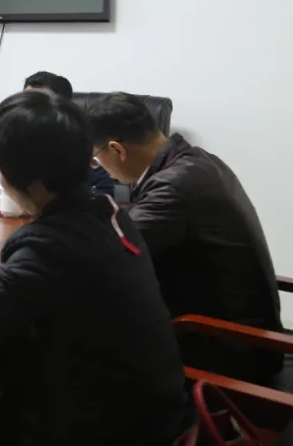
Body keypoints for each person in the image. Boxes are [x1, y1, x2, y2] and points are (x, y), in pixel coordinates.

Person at [0, 91, 192, 445]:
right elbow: (65, 290)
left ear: (31, 182)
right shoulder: (111, 215)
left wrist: (1, 288)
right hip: (157, 416)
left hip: (101, 429)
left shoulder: (47, 247)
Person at [85, 93, 282, 382]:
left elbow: (105, 250)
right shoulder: (196, 161)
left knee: (83, 339)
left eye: (96, 158)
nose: (99, 167)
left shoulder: (173, 187)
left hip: (228, 352)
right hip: (247, 335)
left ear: (117, 150)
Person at [0, 71, 115, 195]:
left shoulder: (80, 145)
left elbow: (103, 191)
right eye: (26, 100)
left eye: (38, 103)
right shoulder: (10, 133)